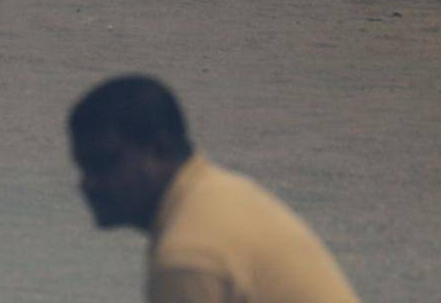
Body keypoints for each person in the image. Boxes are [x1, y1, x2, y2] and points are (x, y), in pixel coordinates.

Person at [68, 75, 362, 303]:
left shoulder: (187, 258)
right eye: (83, 167)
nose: (88, 184)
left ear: (160, 149)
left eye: (103, 164)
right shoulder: (219, 189)